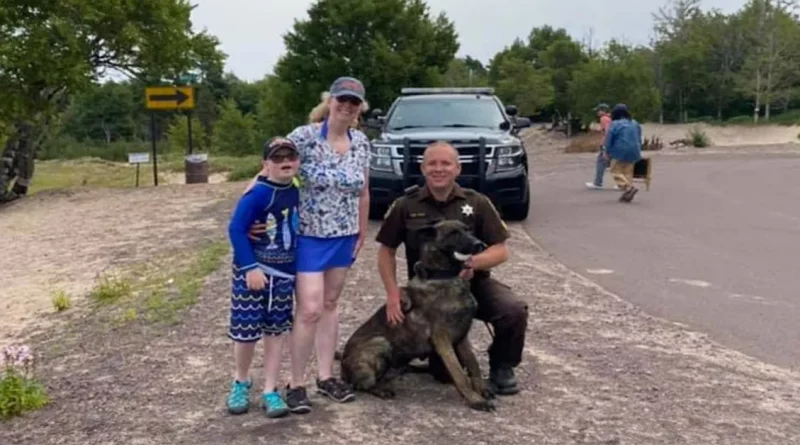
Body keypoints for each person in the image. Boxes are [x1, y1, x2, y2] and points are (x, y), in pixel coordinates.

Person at [374, 141, 528, 396]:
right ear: (422, 169)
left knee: (512, 309)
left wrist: (473, 263)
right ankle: (421, 358)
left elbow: (501, 249)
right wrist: (392, 294)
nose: (439, 169)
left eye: (445, 163)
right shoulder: (406, 205)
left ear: (458, 168)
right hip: (429, 294)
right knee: (443, 375)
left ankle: (502, 365)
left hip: (471, 284)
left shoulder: (476, 202)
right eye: (432, 163)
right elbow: (385, 252)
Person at [275, 76, 371, 412]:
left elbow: (363, 191)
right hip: (309, 235)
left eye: (353, 102)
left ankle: (326, 376)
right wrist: (254, 201)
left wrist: (362, 231)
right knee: (310, 308)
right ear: (329, 101)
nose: (346, 106)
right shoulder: (304, 137)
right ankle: (295, 382)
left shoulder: (361, 142)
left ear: (360, 108)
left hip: (343, 237)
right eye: (341, 99)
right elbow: (274, 164)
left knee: (330, 304)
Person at [225, 137, 301, 417]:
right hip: (254, 273)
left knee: (276, 331)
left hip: (283, 274)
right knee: (245, 333)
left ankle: (271, 388)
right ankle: (241, 381)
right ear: (265, 164)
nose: (285, 162)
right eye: (277, 158)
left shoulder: (296, 188)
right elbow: (235, 229)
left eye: (290, 157)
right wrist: (249, 268)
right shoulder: (257, 193)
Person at [602, 103, 642, 202]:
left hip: (620, 150)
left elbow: (609, 138)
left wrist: (606, 151)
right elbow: (639, 135)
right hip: (634, 150)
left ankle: (628, 188)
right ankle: (627, 194)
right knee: (627, 172)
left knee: (615, 170)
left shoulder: (615, 124)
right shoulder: (634, 123)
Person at [586, 103, 616, 190]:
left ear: (603, 110)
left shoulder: (604, 119)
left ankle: (598, 183)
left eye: (598, 110)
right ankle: (620, 182)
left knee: (601, 162)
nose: (597, 112)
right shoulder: (609, 118)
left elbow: (607, 132)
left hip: (607, 144)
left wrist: (604, 146)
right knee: (612, 164)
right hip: (612, 144)